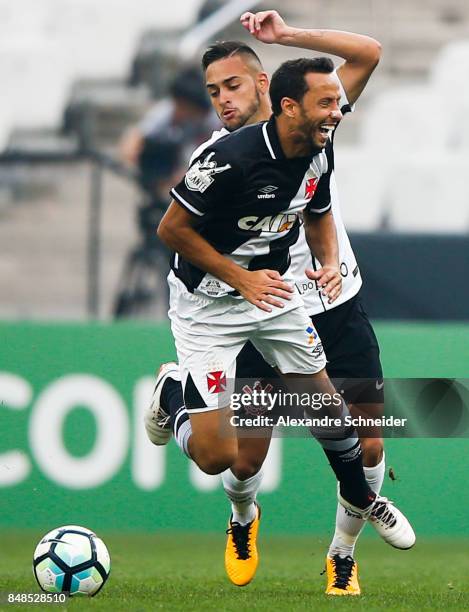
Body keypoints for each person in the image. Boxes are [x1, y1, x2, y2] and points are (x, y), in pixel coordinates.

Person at [152, 13, 415, 594]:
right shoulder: (223, 156)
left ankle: (342, 554)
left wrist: (287, 36)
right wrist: (232, 279)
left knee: (364, 439)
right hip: (248, 306)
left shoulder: (312, 121)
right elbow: (176, 231)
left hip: (331, 301)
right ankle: (242, 515)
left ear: (268, 86)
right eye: (214, 91)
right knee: (239, 461)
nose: (223, 99)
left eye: (234, 85)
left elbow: (367, 52)